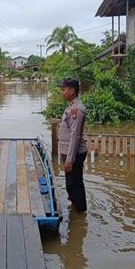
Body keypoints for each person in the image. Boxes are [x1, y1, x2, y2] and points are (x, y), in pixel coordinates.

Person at [58, 77, 87, 212]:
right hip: (67, 151)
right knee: (71, 184)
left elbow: (75, 136)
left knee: (74, 184)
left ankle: (80, 212)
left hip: (73, 153)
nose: (61, 92)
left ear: (72, 91)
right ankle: (75, 207)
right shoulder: (71, 107)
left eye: (64, 90)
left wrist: (69, 159)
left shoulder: (77, 110)